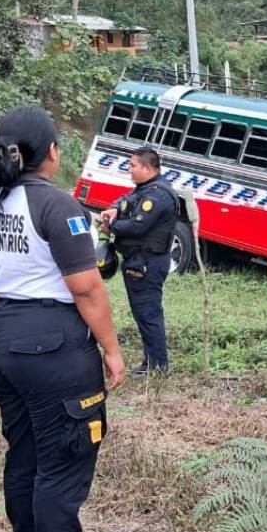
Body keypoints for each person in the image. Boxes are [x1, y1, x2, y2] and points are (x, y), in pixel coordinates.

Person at [0, 106, 125, 532]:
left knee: (26, 453)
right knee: (67, 453)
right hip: (50, 344)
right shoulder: (57, 205)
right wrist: (112, 350)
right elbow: (86, 287)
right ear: (51, 153)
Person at [98, 148, 177, 376]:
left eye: (132, 165)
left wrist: (110, 226)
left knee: (148, 313)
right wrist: (114, 208)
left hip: (148, 263)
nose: (129, 169)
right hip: (138, 261)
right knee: (143, 313)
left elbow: (136, 226)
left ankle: (157, 366)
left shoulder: (158, 196)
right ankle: (152, 361)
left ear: (147, 168)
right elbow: (127, 199)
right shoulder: (146, 189)